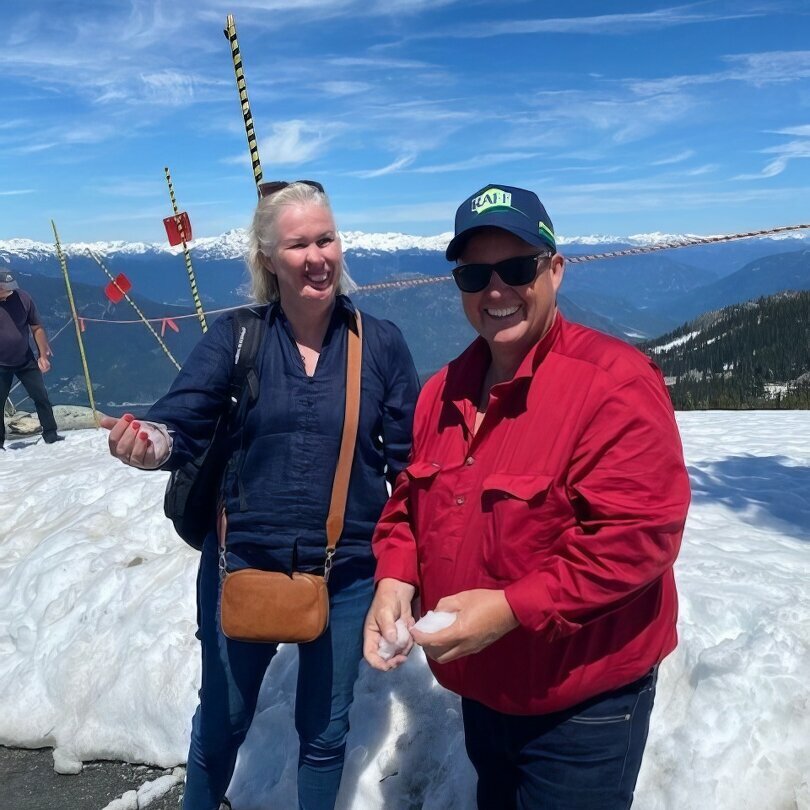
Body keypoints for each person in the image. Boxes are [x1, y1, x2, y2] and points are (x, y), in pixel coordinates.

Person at [364, 184, 691, 809]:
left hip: (583, 705)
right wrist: (395, 577)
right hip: (484, 689)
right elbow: (411, 501)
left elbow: (637, 539)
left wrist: (512, 608)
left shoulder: (613, 385)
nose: (495, 290)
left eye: (517, 268)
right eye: (474, 274)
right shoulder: (442, 392)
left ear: (555, 270)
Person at [101, 181, 419, 810]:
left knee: (325, 735)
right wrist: (151, 443)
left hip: (347, 570)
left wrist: (406, 571)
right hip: (240, 560)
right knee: (221, 723)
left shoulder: (379, 343)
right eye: (298, 244)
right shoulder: (238, 337)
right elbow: (181, 420)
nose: (317, 256)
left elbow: (409, 466)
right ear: (269, 259)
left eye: (325, 238)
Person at [0, 270, 64, 449]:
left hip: (24, 359)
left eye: (12, 287)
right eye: (6, 288)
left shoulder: (23, 298)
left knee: (41, 396)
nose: (10, 291)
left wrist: (42, 355)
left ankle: (50, 434)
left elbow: (37, 327)